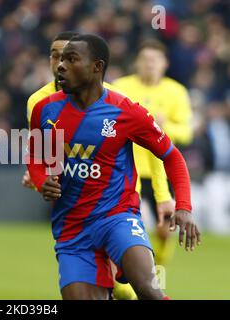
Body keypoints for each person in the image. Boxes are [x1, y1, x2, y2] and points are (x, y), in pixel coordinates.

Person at [26, 34, 200, 300]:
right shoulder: (43, 110)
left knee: (148, 290)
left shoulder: (126, 111)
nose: (61, 66)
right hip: (72, 229)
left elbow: (172, 156)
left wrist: (183, 206)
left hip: (117, 217)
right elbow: (37, 158)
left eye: (71, 60)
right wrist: (41, 181)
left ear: (97, 67)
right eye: (60, 59)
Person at [22, 31, 136, 300]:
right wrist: (38, 176)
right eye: (55, 56)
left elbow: (158, 148)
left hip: (115, 194)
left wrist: (165, 195)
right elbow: (43, 152)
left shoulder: (116, 98)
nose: (59, 63)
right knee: (102, 284)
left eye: (67, 57)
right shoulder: (38, 103)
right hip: (73, 203)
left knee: (133, 283)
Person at [112, 40, 193, 265]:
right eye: (145, 59)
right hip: (127, 167)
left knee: (164, 229)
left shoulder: (176, 92)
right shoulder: (120, 86)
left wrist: (163, 125)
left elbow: (186, 133)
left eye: (154, 60)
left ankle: (158, 265)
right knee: (128, 224)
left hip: (162, 169)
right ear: (136, 62)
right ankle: (128, 272)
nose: (149, 64)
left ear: (164, 63)